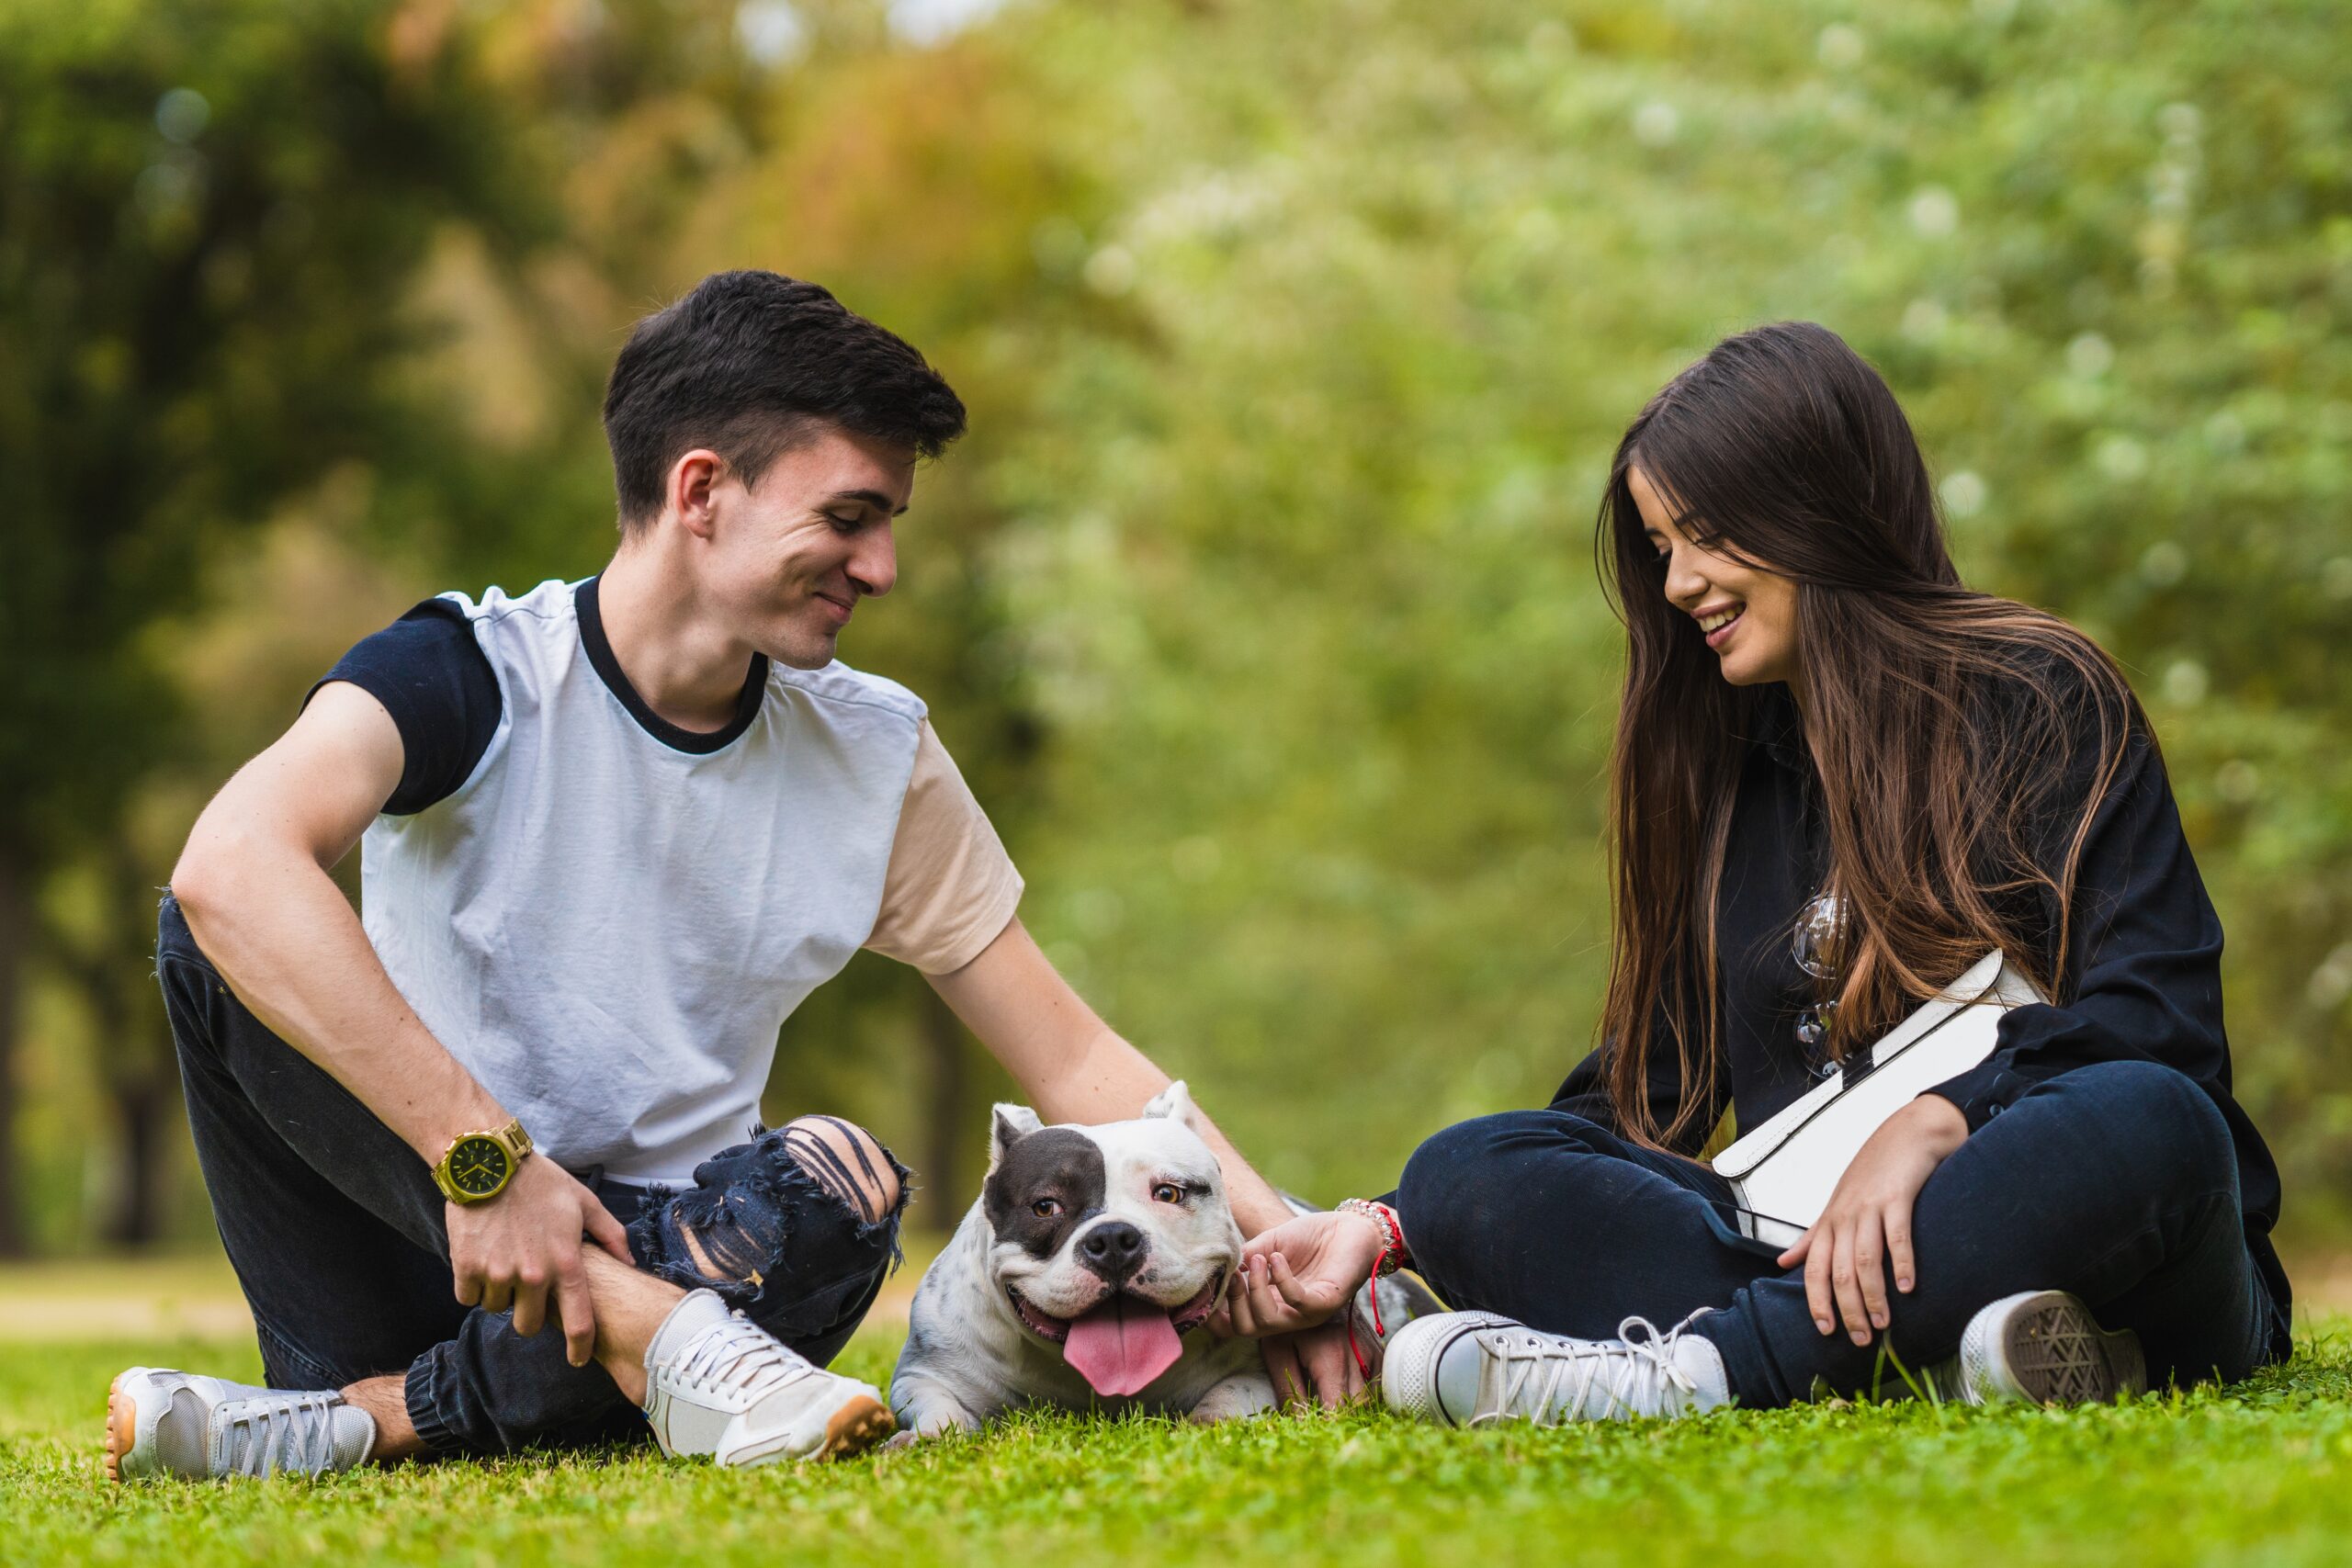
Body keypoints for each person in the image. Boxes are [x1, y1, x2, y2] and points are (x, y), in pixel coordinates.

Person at [105, 270, 1350, 1482]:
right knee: (206, 937)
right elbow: (228, 864)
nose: (880, 569)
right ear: (701, 487)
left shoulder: (875, 752)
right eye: (849, 516)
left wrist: (1293, 1247)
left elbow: (1074, 1059)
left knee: (843, 1183)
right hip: (417, 1243)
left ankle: (369, 1422)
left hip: (707, 1260)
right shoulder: (466, 674)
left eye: (888, 529)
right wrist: (482, 1160)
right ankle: (643, 1345)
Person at [1222, 321, 2293, 1425]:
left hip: (2097, 1239)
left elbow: (2159, 1020)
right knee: (1468, 1165)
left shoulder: (2040, 693)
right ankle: (1937, 1361)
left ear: (1815, 504)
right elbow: (1648, 1099)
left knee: (2148, 1117)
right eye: (1658, 548)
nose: (1679, 582)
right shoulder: (1727, 773)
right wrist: (1391, 1222)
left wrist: (1938, 1122)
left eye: (1703, 535)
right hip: (1801, 1242)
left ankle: (1699, 1378)